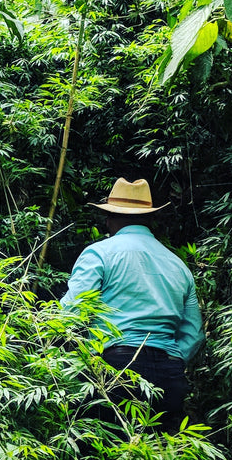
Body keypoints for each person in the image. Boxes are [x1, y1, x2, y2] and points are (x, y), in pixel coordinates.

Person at [59, 177, 203, 433]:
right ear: (149, 219)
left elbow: (72, 313)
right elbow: (193, 335)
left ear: (110, 219)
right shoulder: (179, 266)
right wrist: (172, 362)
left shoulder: (99, 254)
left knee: (105, 456)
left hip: (115, 366)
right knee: (161, 458)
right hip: (169, 373)